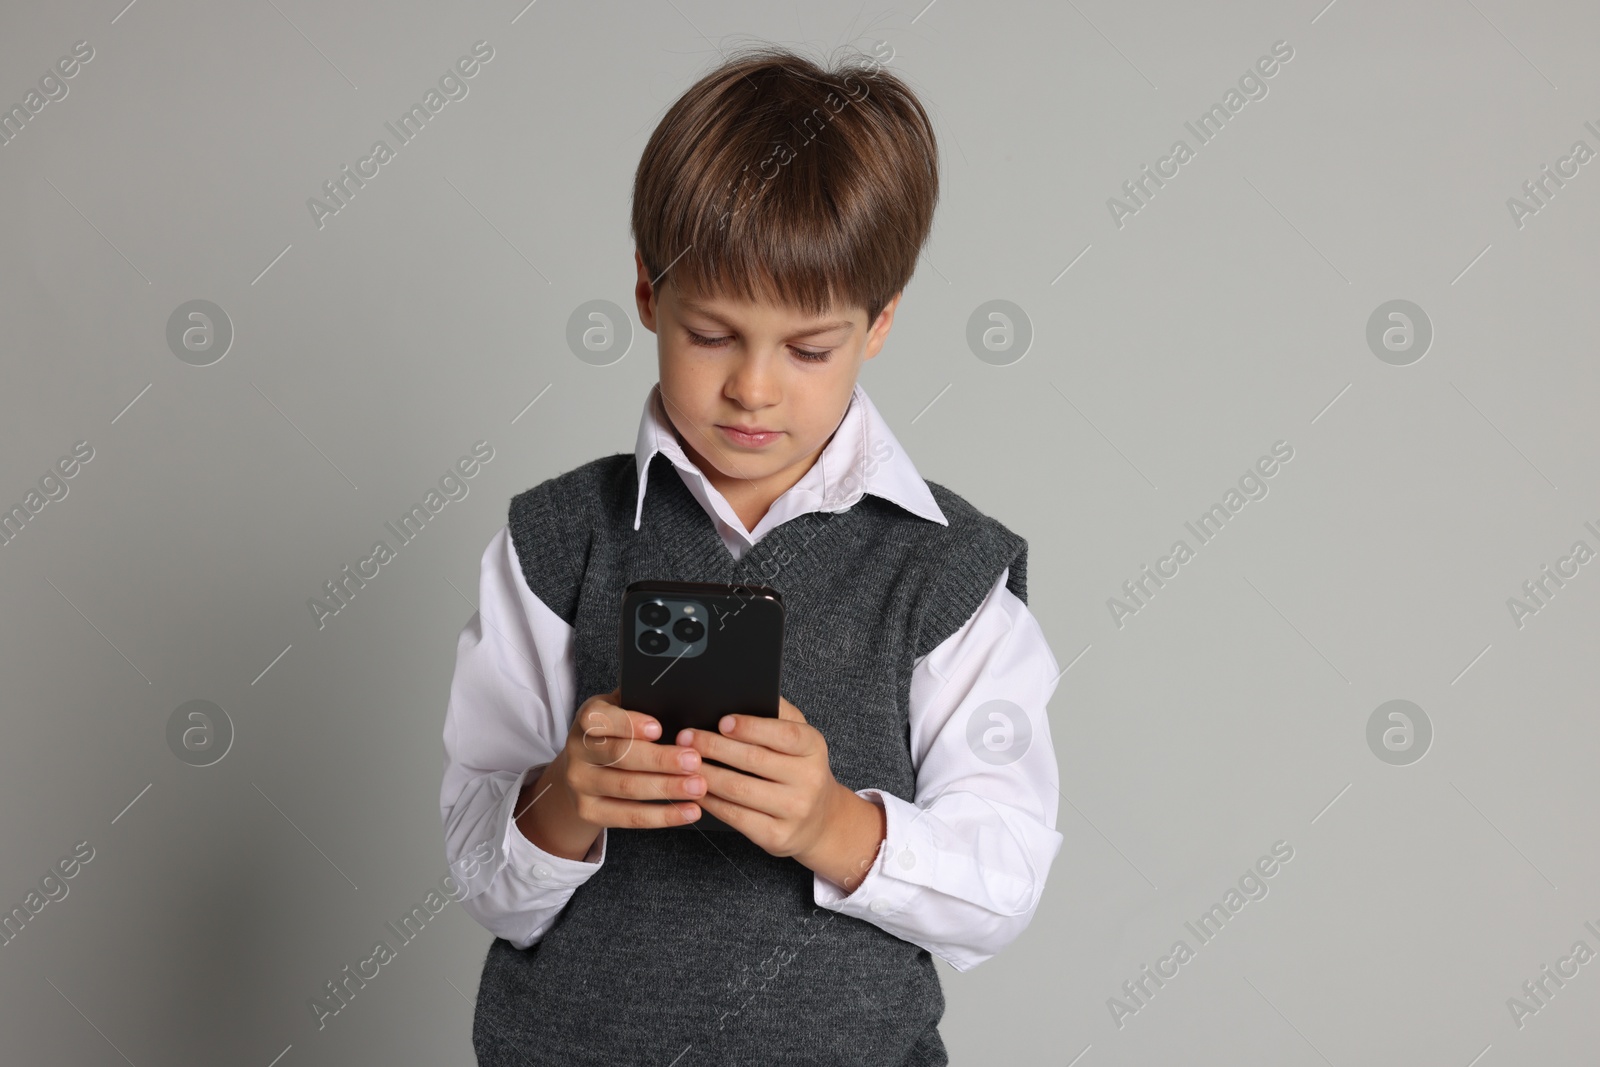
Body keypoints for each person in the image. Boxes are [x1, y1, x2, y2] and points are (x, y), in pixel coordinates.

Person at [440, 43, 1064, 1066]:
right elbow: (481, 872)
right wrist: (563, 797)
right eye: (712, 334)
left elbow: (1000, 884)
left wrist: (830, 822)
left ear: (880, 324)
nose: (754, 388)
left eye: (808, 348)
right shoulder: (559, 539)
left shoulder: (948, 576)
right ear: (647, 293)